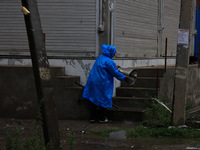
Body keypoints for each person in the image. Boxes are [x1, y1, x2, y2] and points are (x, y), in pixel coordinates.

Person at [82, 44, 126, 123]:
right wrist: (124, 78)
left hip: (93, 80)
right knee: (104, 98)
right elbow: (115, 72)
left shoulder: (100, 57)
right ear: (111, 52)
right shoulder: (109, 61)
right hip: (102, 82)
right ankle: (102, 118)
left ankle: (92, 118)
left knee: (93, 98)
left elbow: (104, 66)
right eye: (115, 52)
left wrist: (115, 66)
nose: (115, 54)